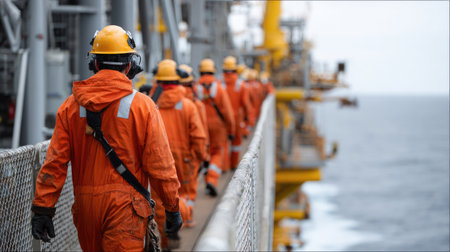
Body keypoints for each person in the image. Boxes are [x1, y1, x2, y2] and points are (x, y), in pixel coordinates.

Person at [31, 25, 182, 251]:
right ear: (130, 66)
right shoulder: (143, 106)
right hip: (126, 209)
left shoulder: (71, 106)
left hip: (86, 209)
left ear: (95, 64)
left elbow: (55, 162)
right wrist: (171, 207)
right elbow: (160, 165)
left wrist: (43, 209)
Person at [150, 59, 207, 247]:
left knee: (160, 200)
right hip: (184, 160)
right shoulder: (188, 106)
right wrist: (199, 158)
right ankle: (185, 220)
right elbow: (198, 137)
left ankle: (165, 239)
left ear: (158, 82)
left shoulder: (149, 105)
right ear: (177, 81)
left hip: (157, 160)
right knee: (184, 195)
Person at [196, 58, 235, 197]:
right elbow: (228, 112)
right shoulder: (219, 88)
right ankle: (212, 179)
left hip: (201, 124)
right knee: (217, 152)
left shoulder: (195, 88)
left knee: (205, 152)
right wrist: (231, 130)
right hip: (218, 126)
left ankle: (207, 179)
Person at [178, 64, 209, 227]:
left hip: (167, 156)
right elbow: (200, 134)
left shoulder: (158, 101)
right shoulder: (195, 105)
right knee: (188, 192)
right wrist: (204, 155)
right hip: (189, 156)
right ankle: (187, 218)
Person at [221, 56, 253, 170]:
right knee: (236, 143)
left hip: (223, 119)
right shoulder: (241, 85)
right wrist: (247, 117)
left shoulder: (220, 85)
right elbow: (245, 104)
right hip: (237, 119)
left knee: (223, 143)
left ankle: (224, 167)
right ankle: (233, 165)